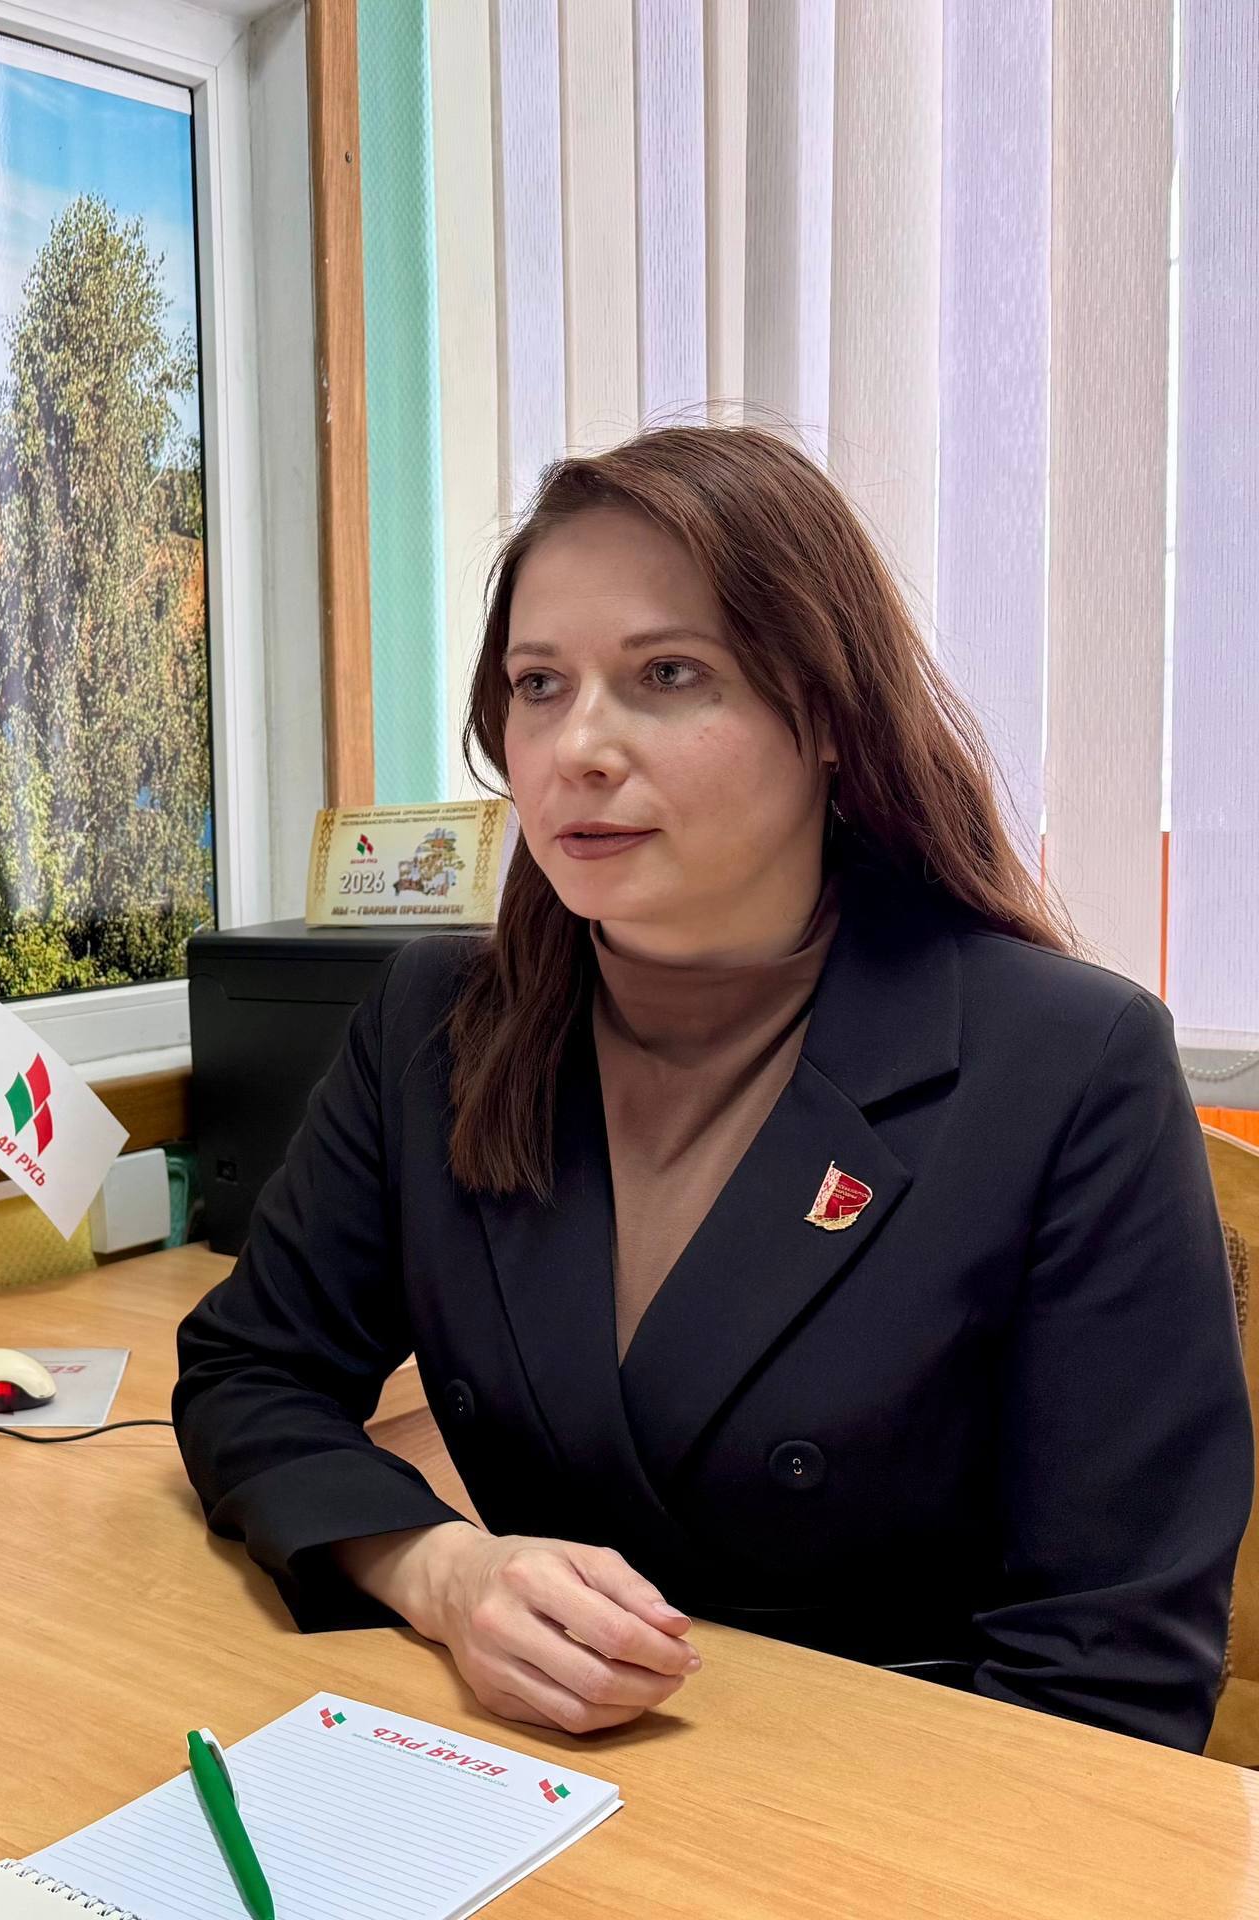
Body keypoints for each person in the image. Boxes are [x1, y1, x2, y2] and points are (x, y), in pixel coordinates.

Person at [175, 426, 1252, 1754]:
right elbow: (249, 1372)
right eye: (538, 685)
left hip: (889, 1802)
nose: (577, 747)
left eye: (667, 675)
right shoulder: (438, 1022)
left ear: (831, 720)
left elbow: (1109, 1681)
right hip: (517, 1767)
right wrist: (442, 1571)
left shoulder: (1068, 1065)